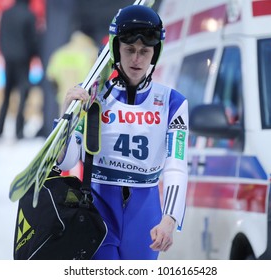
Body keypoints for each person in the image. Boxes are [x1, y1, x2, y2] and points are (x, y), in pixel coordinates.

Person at [57, 5, 189, 260]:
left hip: (145, 213)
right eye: (129, 50)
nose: (137, 59)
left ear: (155, 53)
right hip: (99, 207)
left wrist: (170, 219)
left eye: (144, 51)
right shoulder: (94, 97)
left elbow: (176, 165)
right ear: (117, 49)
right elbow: (67, 159)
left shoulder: (173, 102)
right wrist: (67, 115)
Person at [0, 0, 38, 140]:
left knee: (6, 95)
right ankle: (19, 131)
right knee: (23, 95)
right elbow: (32, 40)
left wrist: (5, 52)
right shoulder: (29, 15)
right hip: (23, 60)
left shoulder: (6, 13)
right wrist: (33, 54)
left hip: (8, 58)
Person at [46, 31, 98, 110]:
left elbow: (51, 77)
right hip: (84, 101)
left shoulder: (59, 54)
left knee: (63, 120)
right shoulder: (92, 53)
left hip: (64, 100)